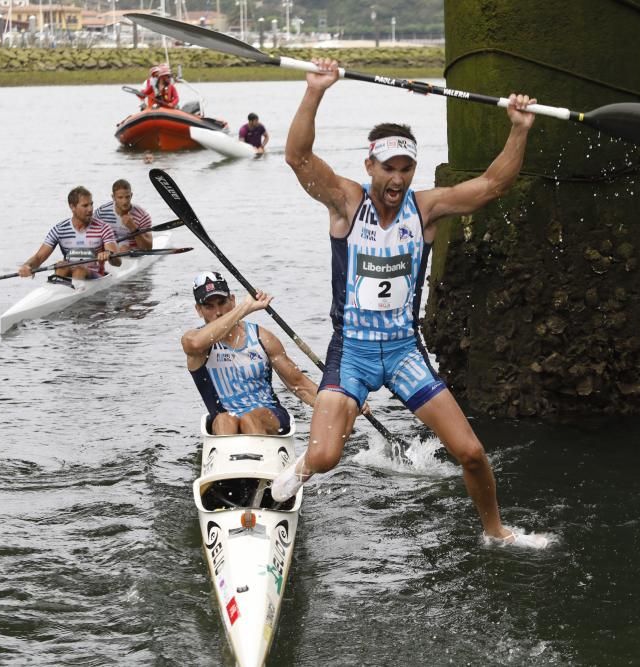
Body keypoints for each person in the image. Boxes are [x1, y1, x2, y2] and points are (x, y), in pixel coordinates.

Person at [270, 57, 548, 548]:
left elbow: (492, 186)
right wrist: (315, 91)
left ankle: (496, 533)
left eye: (406, 168)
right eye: (388, 169)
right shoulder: (345, 202)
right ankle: (303, 466)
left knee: (472, 453)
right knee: (327, 457)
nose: (397, 180)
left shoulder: (427, 208)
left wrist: (519, 130)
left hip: (403, 352)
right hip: (352, 351)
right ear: (370, 166)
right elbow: (297, 158)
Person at [182, 271, 318, 435]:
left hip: (269, 416)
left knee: (250, 419)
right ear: (198, 310)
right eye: (208, 306)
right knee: (225, 420)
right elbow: (194, 344)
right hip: (224, 423)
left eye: (222, 302)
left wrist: (340, 406)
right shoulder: (194, 343)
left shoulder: (263, 338)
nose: (218, 312)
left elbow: (301, 385)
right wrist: (245, 308)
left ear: (232, 300)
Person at [18, 186, 120, 281]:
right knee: (61, 266)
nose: (90, 209)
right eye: (85, 205)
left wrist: (109, 254)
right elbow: (39, 257)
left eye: (91, 204)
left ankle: (72, 289)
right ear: (72, 207)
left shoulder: (104, 228)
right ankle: (58, 287)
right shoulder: (59, 229)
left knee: (79, 270)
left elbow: (118, 262)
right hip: (68, 274)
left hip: (94, 276)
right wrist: (27, 266)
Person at [94, 179, 153, 252]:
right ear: (113, 197)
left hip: (132, 254)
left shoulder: (142, 216)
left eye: (127, 197)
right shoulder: (101, 213)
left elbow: (148, 248)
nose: (124, 201)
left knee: (124, 248)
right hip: (109, 252)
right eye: (120, 197)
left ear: (131, 195)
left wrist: (133, 228)